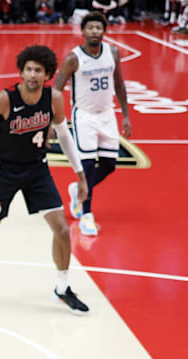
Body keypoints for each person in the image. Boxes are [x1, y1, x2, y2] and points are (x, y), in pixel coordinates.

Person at [0, 45, 90, 315]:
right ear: (21, 71)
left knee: (60, 229)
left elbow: (66, 137)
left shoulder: (54, 99)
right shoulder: (3, 99)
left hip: (37, 169)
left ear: (47, 74)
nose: (33, 74)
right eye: (29, 69)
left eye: (39, 70)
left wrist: (80, 175)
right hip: (4, 172)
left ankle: (62, 287)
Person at [52, 11, 131, 236]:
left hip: (107, 114)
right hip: (84, 116)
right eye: (91, 27)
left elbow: (120, 84)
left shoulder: (113, 52)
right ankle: (87, 213)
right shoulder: (73, 59)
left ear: (104, 31)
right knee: (86, 166)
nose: (95, 31)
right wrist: (51, 121)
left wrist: (125, 115)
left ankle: (78, 190)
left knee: (109, 164)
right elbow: (56, 90)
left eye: (99, 27)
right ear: (83, 31)